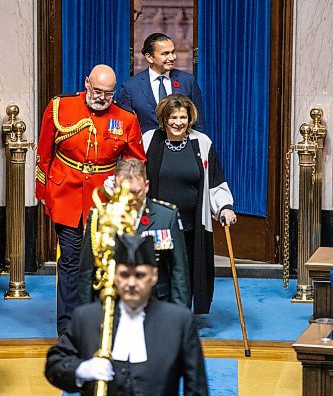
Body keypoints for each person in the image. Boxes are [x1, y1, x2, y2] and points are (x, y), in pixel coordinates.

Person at [45, 234, 210, 396]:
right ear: (114, 276)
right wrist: (81, 369)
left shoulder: (178, 321)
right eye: (124, 274)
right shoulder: (87, 316)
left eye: (139, 275)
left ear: (154, 276)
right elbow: (54, 365)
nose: (131, 283)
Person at [35, 64, 146, 336]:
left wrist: (123, 188)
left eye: (108, 93)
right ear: (87, 83)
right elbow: (45, 152)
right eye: (98, 91)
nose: (102, 98)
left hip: (104, 200)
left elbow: (136, 162)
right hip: (66, 195)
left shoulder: (126, 119)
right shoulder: (61, 107)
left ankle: (99, 320)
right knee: (70, 260)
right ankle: (67, 325)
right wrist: (44, 193)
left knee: (102, 262)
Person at [143, 94, 237, 315]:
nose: (178, 122)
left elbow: (215, 181)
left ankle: (180, 322)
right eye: (173, 117)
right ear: (163, 119)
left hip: (190, 226)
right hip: (158, 226)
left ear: (190, 119)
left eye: (183, 117)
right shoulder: (149, 140)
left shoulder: (202, 143)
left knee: (183, 275)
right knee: (160, 274)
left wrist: (225, 207)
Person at [78, 158, 191, 308]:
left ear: (146, 187)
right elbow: (86, 272)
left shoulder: (167, 216)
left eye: (136, 193)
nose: (130, 199)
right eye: (124, 192)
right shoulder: (100, 216)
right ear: (114, 187)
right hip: (112, 303)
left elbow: (179, 273)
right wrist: (85, 316)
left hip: (156, 304)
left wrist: (180, 318)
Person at [118, 32, 206, 133]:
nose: (172, 58)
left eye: (173, 52)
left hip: (182, 146)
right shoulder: (131, 87)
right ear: (149, 57)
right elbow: (125, 127)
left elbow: (198, 123)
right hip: (146, 147)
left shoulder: (187, 81)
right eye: (165, 54)